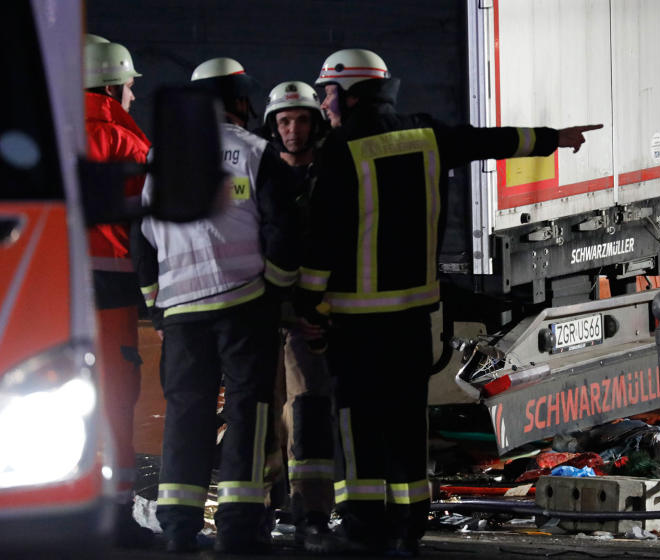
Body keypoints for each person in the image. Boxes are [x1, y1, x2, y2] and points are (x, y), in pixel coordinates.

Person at [298, 48, 601, 555]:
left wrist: (308, 307)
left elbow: (322, 240)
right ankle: (409, 523)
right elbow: (489, 142)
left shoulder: (340, 150)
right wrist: (555, 138)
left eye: (328, 93)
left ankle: (364, 525)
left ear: (350, 95)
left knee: (359, 424)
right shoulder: (426, 136)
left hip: (356, 324)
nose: (324, 104)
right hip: (414, 318)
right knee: (405, 420)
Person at [132, 57, 300, 554]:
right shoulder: (255, 152)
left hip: (182, 312)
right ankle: (238, 528)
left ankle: (180, 528)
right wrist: (277, 287)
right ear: (241, 101)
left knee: (187, 411)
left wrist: (156, 307)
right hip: (244, 304)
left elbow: (141, 241)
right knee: (248, 411)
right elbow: (283, 231)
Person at [83, 38, 155, 547]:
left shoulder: (41, 129)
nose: (131, 96)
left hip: (42, 282)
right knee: (115, 393)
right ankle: (115, 512)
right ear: (111, 85)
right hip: (110, 281)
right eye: (129, 86)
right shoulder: (121, 135)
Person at [262, 81, 335, 544]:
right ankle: (265, 506)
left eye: (302, 119)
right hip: (266, 313)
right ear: (273, 125)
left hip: (309, 316)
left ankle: (311, 513)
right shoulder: (263, 174)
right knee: (263, 413)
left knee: (307, 411)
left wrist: (315, 308)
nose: (293, 129)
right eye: (285, 121)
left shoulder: (330, 175)